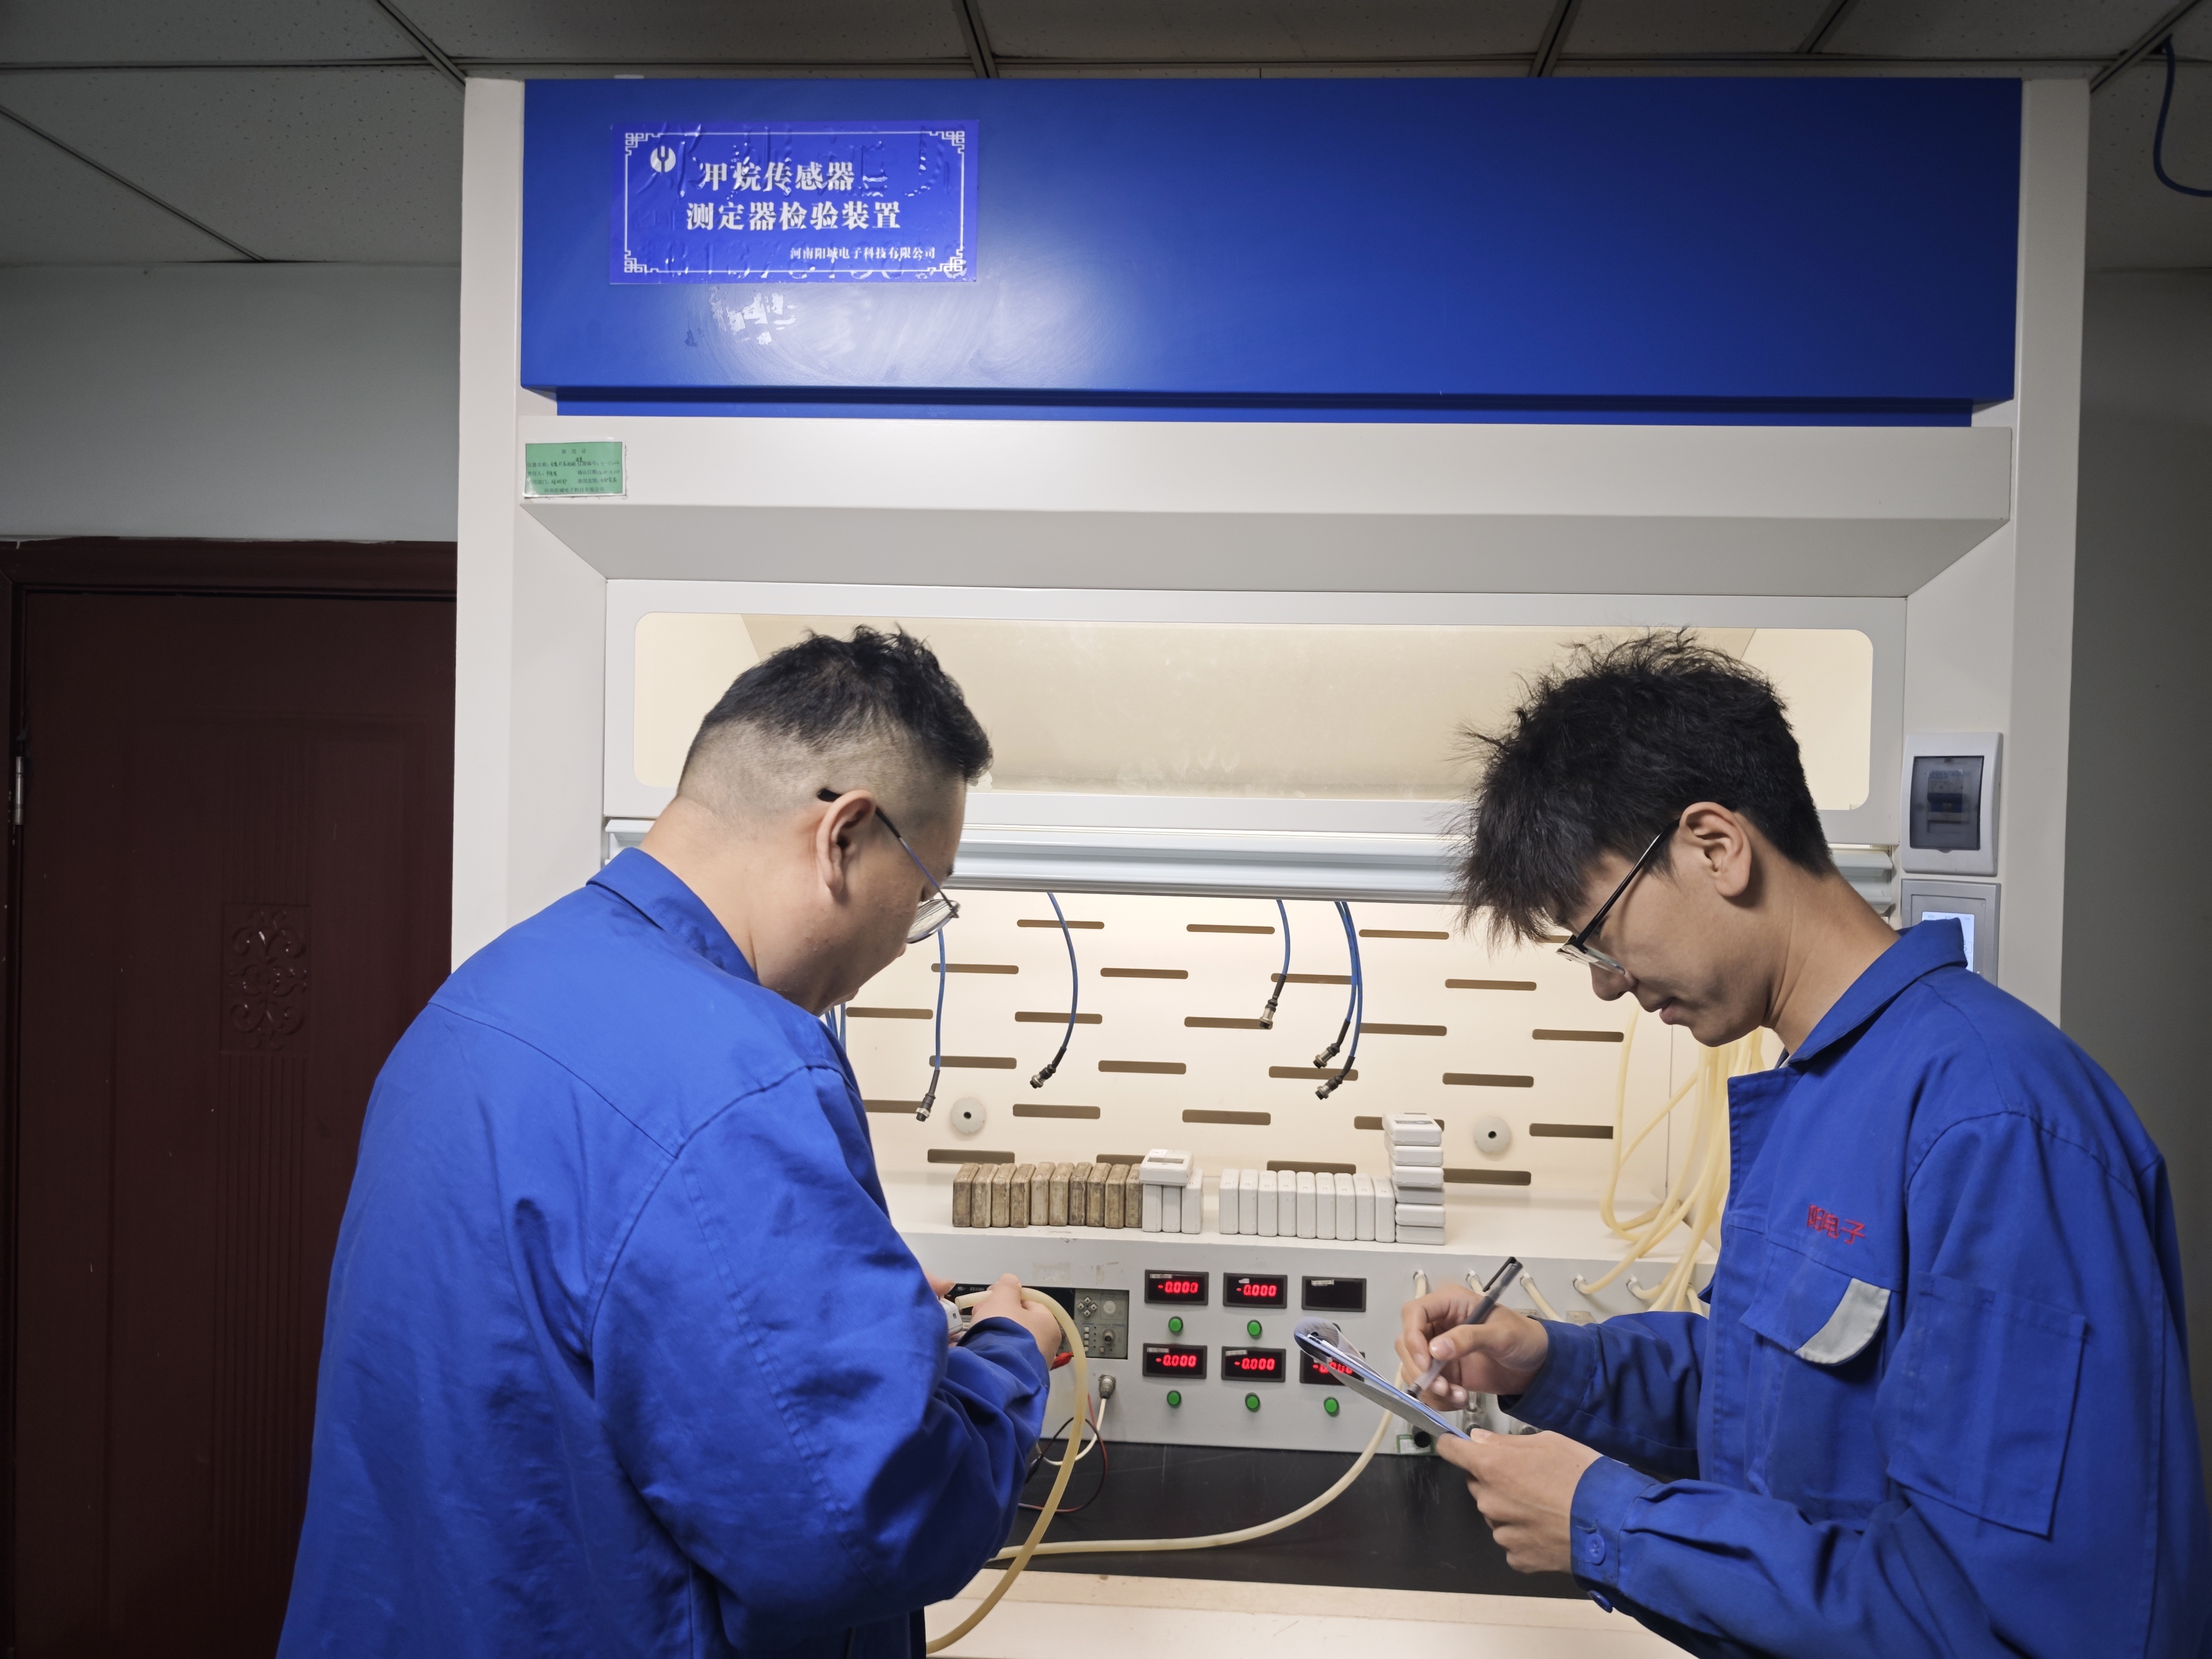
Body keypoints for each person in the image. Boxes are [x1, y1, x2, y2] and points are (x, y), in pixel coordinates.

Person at [1398, 633, 2211, 1658]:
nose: (1606, 982)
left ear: (1715, 846)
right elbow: (1777, 1401)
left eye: (1599, 935)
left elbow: (2004, 1620)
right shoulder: (1827, 1084)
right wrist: (1553, 1364)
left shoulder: (1995, 1125)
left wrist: (1610, 1523)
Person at [282, 628, 1061, 1658]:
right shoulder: (744, 1074)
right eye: (923, 893)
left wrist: (860, 1334)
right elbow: (865, 1528)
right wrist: (1006, 1362)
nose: (905, 939)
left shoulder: (479, 1001)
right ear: (845, 836)